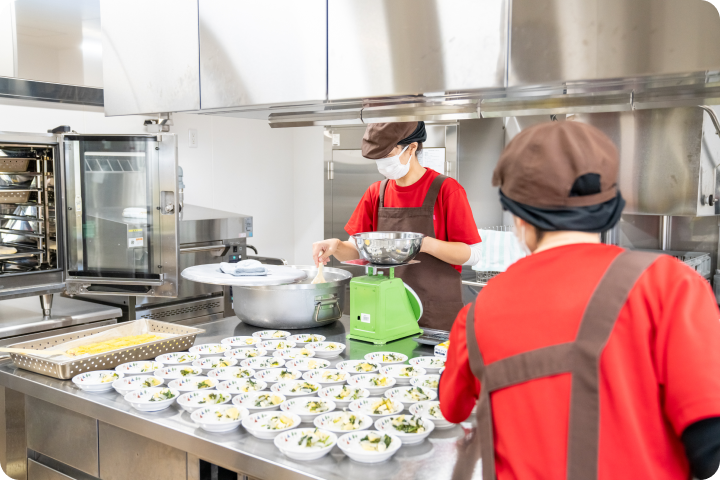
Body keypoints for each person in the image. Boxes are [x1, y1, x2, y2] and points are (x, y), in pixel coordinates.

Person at [440, 121, 720, 480]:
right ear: (611, 207)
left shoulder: (477, 313)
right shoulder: (670, 285)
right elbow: (709, 444)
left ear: (518, 219)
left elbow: (451, 407)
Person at [312, 121, 481, 331]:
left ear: (412, 148)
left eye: (388, 154)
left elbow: (472, 255)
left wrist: (422, 244)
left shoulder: (446, 190)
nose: (382, 163)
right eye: (378, 157)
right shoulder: (376, 193)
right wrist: (336, 245)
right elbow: (356, 249)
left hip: (436, 315)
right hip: (386, 312)